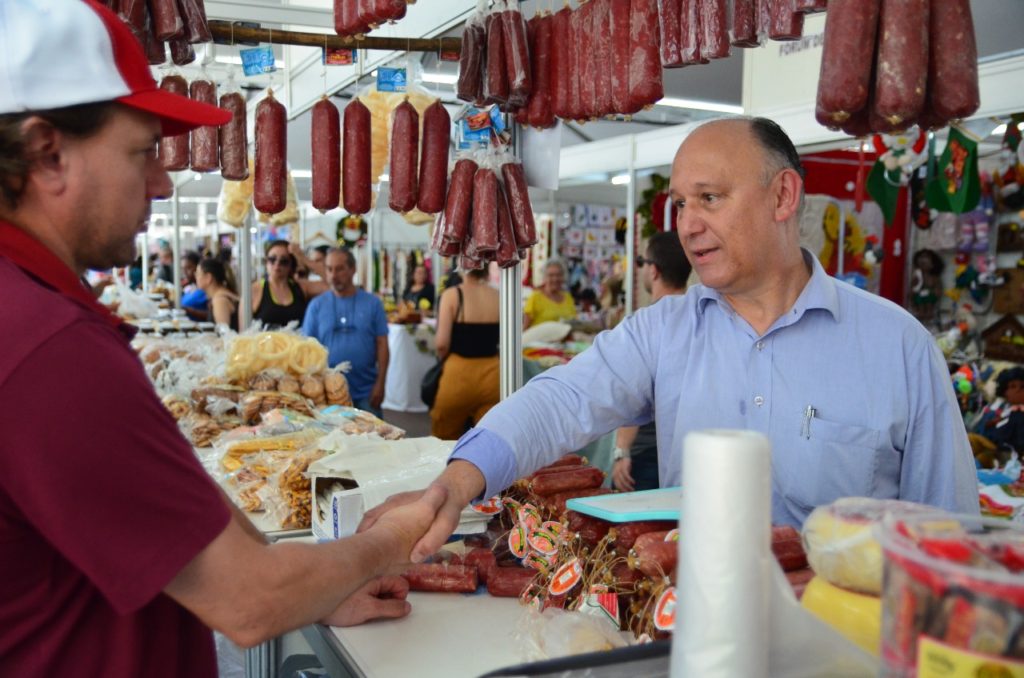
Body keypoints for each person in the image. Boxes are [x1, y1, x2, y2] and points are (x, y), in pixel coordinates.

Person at [0, 3, 446, 675]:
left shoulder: (31, 314)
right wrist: (392, 538)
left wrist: (316, 592)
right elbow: (248, 604)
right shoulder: (47, 349)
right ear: (47, 152)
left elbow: (183, 539)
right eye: (143, 151)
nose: (163, 181)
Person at [361, 116, 979, 562]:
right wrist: (455, 484)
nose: (687, 225)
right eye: (680, 204)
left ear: (783, 195)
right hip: (690, 632)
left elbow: (952, 530)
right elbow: (562, 399)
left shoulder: (897, 346)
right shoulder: (665, 330)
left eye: (709, 198)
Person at [611, 231, 692, 492]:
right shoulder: (702, 320)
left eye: (641, 262)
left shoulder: (647, 325)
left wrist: (621, 451)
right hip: (689, 455)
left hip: (646, 452)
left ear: (653, 270)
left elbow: (633, 393)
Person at [302, 248, 390, 416]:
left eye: (339, 268)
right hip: (328, 396)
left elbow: (382, 345)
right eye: (329, 269)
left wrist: (381, 383)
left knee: (374, 441)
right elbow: (307, 349)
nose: (333, 275)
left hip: (366, 392)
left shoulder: (373, 303)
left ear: (353, 269)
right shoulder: (316, 306)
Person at [431, 268, 500, 440]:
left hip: (458, 373)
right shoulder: (498, 295)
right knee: (487, 439)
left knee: (444, 438)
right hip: (493, 373)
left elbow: (441, 344)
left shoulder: (452, 295)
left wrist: (443, 361)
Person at [249, 240, 327, 329]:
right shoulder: (255, 290)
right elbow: (244, 333)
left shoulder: (301, 287)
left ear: (291, 265)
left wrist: (303, 258)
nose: (277, 264)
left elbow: (332, 282)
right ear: (266, 262)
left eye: (284, 261)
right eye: (272, 259)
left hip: (298, 342)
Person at [523, 258, 577, 329]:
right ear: (544, 277)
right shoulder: (535, 298)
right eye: (551, 275)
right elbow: (525, 328)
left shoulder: (568, 297)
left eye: (558, 275)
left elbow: (573, 321)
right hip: (539, 339)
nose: (555, 279)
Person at [196, 258, 239, 330]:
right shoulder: (220, 296)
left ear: (208, 278)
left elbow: (224, 334)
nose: (196, 277)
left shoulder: (220, 300)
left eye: (198, 274)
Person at [180, 250, 209, 321]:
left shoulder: (206, 289)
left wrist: (190, 311)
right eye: (183, 269)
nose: (185, 272)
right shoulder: (189, 287)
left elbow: (212, 315)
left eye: (188, 268)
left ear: (198, 267)